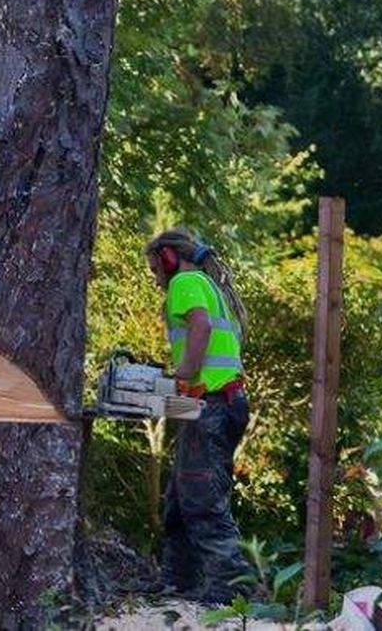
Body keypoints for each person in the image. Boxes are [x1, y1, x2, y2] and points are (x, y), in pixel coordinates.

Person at [145, 227, 253, 606]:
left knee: (202, 499)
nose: (156, 278)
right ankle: (178, 578)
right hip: (219, 402)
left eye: (156, 268)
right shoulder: (209, 284)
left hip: (209, 403)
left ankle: (232, 585)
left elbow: (201, 326)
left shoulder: (186, 281)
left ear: (169, 257)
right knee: (180, 496)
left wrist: (183, 374)